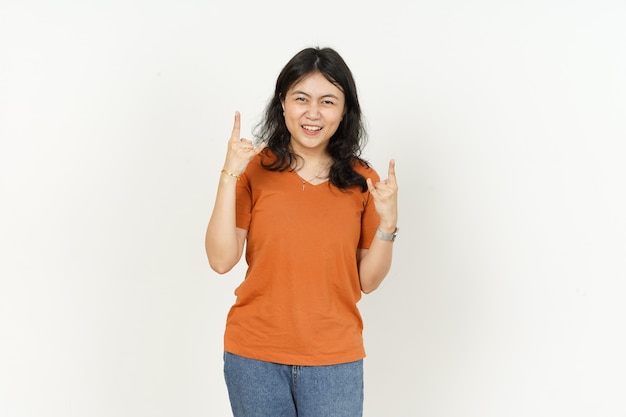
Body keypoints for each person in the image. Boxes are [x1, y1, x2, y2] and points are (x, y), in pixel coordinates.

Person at [205, 46, 399, 417]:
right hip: (254, 358)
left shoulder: (364, 181)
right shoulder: (254, 170)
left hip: (334, 361)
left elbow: (368, 281)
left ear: (344, 111)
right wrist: (229, 173)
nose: (313, 113)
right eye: (301, 98)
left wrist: (387, 225)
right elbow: (219, 259)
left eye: (328, 101)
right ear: (283, 103)